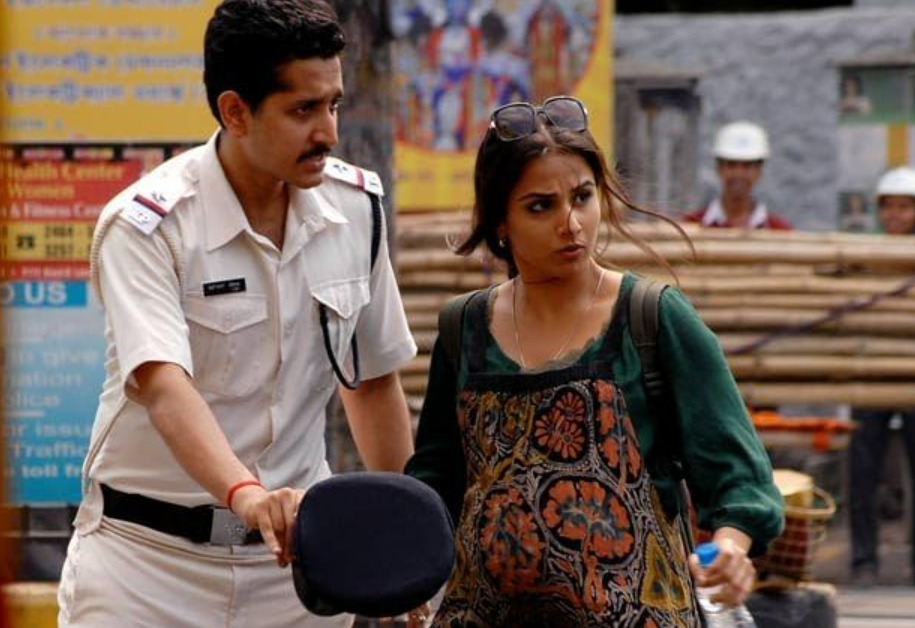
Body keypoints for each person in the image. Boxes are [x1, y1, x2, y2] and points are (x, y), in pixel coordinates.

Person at [57, 1, 417, 625]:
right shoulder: (149, 228)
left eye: (332, 104)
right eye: (303, 110)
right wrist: (245, 495)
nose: (329, 132)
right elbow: (164, 387)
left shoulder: (356, 211)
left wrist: (407, 545)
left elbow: (372, 381)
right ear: (235, 112)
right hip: (144, 571)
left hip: (296, 578)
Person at [405, 95, 784, 626]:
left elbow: (736, 469)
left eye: (582, 197)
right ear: (499, 221)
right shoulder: (463, 328)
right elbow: (437, 475)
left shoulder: (651, 317)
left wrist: (732, 545)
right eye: (541, 206)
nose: (571, 224)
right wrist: (403, 560)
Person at [848, 166, 915, 588]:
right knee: (863, 470)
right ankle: (863, 560)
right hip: (871, 375)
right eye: (889, 208)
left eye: (904, 208)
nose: (896, 216)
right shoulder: (864, 260)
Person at [683, 120, 792, 230]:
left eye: (747, 166)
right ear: (718, 168)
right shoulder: (689, 226)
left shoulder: (778, 230)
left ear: (759, 171)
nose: (738, 173)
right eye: (731, 164)